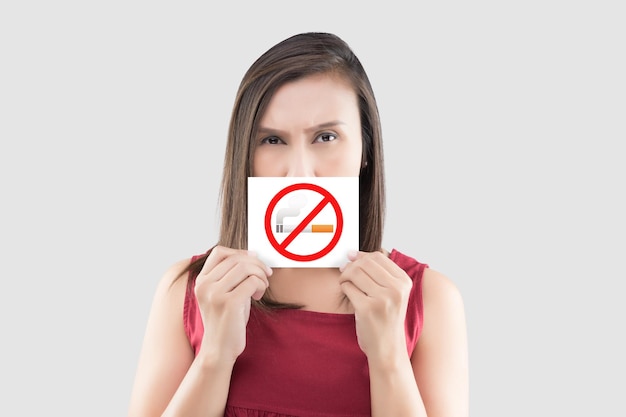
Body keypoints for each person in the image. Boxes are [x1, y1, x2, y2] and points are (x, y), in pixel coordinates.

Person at [127, 32, 469, 417]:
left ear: (365, 150)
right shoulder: (190, 291)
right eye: (272, 140)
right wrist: (214, 357)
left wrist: (389, 358)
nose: (300, 172)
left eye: (326, 137)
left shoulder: (427, 300)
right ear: (246, 156)